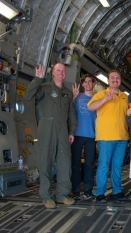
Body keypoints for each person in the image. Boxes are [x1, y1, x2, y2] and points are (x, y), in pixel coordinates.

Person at [24, 63, 77, 209]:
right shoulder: (44, 88)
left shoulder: (67, 92)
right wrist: (37, 79)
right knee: (45, 162)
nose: (61, 73)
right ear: (53, 73)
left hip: (63, 132)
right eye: (58, 70)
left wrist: (71, 132)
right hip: (47, 129)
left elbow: (71, 114)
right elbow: (28, 96)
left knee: (65, 163)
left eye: (63, 71)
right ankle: (47, 197)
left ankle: (62, 195)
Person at [87, 70, 129, 203]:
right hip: (106, 137)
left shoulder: (124, 97)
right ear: (108, 80)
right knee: (103, 165)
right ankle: (100, 192)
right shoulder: (100, 94)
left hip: (122, 137)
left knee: (117, 166)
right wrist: (105, 99)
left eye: (117, 78)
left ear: (120, 80)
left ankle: (117, 191)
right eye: (112, 78)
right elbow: (90, 107)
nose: (115, 80)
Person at [71, 74, 96, 200]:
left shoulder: (98, 98)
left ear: (93, 83)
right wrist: (73, 97)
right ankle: (75, 191)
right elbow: (68, 110)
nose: (87, 84)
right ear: (82, 84)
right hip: (77, 135)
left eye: (90, 81)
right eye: (85, 82)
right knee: (75, 164)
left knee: (89, 164)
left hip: (91, 136)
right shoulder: (78, 97)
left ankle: (87, 190)